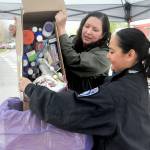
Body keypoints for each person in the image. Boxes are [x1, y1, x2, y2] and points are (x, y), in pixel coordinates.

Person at [19, 28, 150, 150]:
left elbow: (69, 110)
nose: (108, 56)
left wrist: (30, 89)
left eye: (112, 51)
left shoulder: (119, 92)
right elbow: (95, 95)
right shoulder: (135, 78)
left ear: (130, 55)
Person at [54, 11, 111, 93]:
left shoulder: (105, 56)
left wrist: (61, 28)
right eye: (87, 26)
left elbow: (74, 60)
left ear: (103, 35)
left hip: (85, 101)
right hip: (63, 95)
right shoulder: (73, 40)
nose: (88, 32)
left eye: (95, 30)